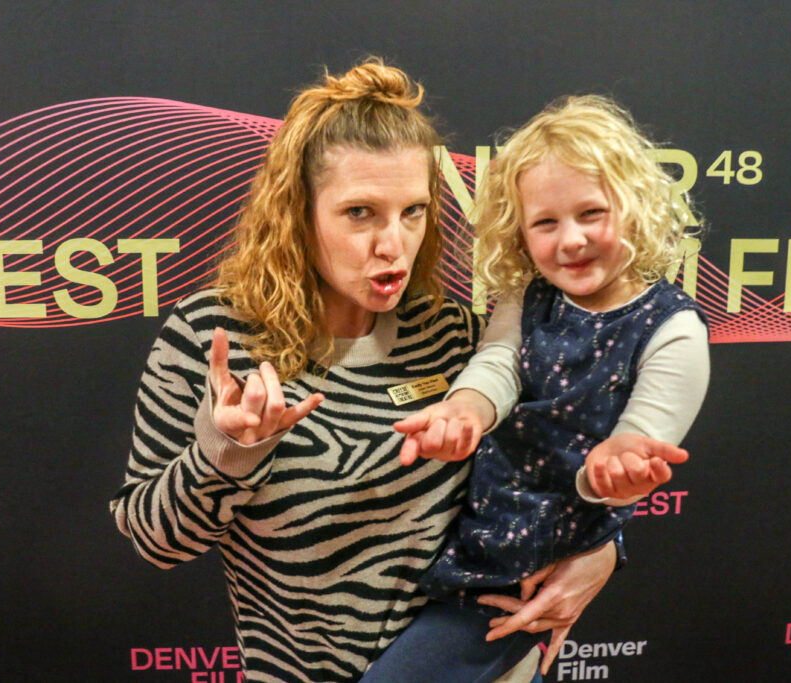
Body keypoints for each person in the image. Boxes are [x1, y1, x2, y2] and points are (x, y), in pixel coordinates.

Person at [111, 62, 659, 682]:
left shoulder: (453, 333)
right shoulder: (212, 338)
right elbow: (156, 540)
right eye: (360, 213)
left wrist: (602, 550)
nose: (393, 244)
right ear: (298, 213)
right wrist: (229, 449)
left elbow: (557, 459)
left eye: (413, 211)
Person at [364, 95, 710, 681]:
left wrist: (614, 470)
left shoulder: (672, 329)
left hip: (521, 567)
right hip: (469, 535)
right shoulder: (528, 297)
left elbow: (640, 439)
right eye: (546, 223)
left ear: (637, 206)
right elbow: (497, 364)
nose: (570, 240)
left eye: (592, 213)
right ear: (520, 235)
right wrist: (464, 412)